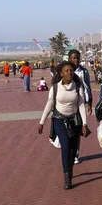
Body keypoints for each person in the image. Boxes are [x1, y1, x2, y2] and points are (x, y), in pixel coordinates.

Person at [38, 61, 89, 189]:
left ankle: (69, 168)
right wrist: (41, 122)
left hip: (74, 121)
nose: (69, 73)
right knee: (65, 146)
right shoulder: (55, 88)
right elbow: (49, 105)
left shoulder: (78, 87)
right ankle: (67, 175)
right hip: (59, 120)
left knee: (73, 149)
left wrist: (85, 123)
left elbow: (81, 105)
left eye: (71, 70)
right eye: (66, 71)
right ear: (61, 74)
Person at [68, 50, 93, 165]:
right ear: (69, 59)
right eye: (73, 58)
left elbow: (88, 87)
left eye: (77, 58)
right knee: (68, 130)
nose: (76, 60)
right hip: (68, 105)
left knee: (78, 131)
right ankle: (68, 151)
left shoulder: (84, 71)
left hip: (80, 104)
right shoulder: (65, 71)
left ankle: (75, 154)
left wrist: (90, 104)